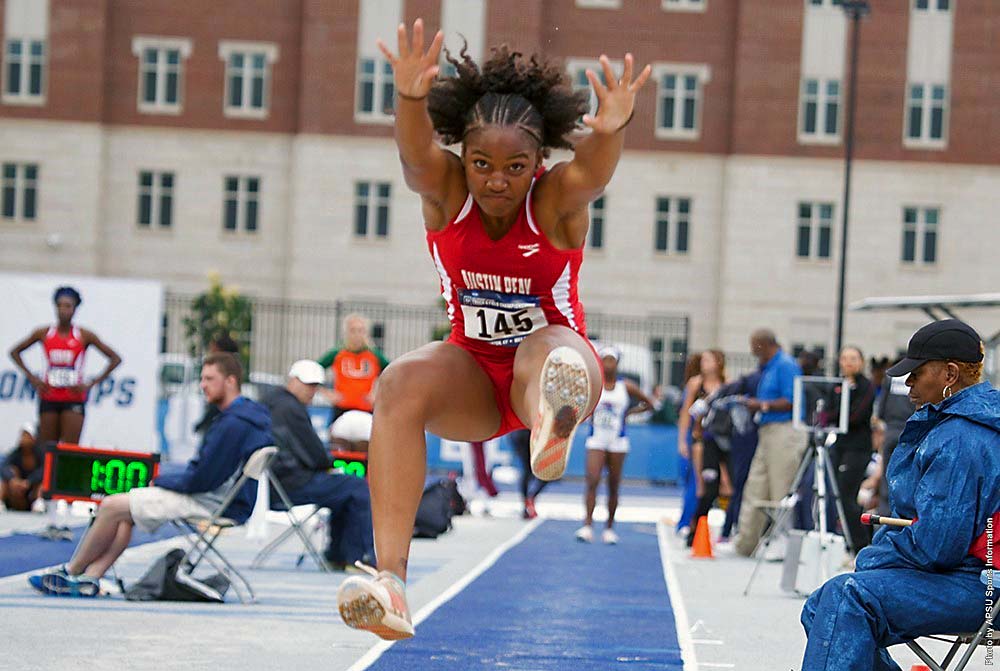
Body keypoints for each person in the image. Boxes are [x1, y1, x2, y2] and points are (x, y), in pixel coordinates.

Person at [336, 19, 650, 640]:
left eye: (515, 166)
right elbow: (415, 156)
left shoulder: (554, 201)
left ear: (539, 161)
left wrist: (610, 131)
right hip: (475, 378)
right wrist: (408, 98)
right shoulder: (446, 194)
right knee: (397, 384)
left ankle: (548, 418)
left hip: (555, 362)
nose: (497, 181)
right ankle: (391, 582)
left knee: (544, 348)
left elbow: (592, 176)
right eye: (482, 164)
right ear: (464, 157)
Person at [801, 319, 1000, 671]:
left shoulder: (960, 437)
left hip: (982, 585)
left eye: (917, 372)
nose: (906, 383)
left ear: (950, 374)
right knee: (820, 606)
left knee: (845, 597)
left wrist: (875, 556)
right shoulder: (968, 423)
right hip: (976, 576)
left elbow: (938, 545)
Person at [28, 352, 272, 597]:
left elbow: (201, 480)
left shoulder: (233, 424)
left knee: (111, 505)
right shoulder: (251, 417)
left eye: (209, 378)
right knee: (125, 512)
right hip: (223, 499)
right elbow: (206, 474)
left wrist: (161, 480)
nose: (202, 385)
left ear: (230, 381)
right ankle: (90, 577)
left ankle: (71, 571)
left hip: (212, 503)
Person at [260, 360, 375, 569]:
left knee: (344, 489)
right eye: (307, 385)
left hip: (272, 482)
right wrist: (331, 463)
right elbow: (315, 455)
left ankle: (339, 555)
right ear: (293, 381)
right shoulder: (291, 409)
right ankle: (358, 557)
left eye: (315, 386)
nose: (312, 391)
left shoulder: (271, 401)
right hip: (290, 483)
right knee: (355, 487)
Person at [9, 286, 122, 446]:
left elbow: (115, 358)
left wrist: (91, 383)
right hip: (49, 395)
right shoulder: (44, 333)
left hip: (73, 397)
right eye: (60, 305)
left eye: (68, 306)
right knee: (46, 448)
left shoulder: (83, 335)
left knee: (69, 449)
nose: (63, 310)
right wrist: (33, 379)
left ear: (75, 309)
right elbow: (15, 352)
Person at [732, 329, 806, 557]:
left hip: (784, 432)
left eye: (754, 345)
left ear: (764, 345)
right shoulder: (771, 366)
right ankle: (745, 544)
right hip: (767, 432)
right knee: (755, 488)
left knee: (780, 490)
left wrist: (761, 405)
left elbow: (791, 400)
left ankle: (781, 543)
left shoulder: (786, 365)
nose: (752, 351)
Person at [575, 346, 653, 545]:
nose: (608, 364)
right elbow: (579, 403)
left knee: (613, 484)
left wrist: (630, 413)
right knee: (592, 479)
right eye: (605, 360)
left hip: (618, 440)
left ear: (617, 363)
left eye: (612, 360)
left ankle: (609, 528)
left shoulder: (625, 386)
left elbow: (648, 403)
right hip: (597, 438)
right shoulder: (594, 384)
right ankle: (587, 525)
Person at [828, 346, 876, 553]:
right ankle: (837, 537)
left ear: (861, 362)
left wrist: (839, 413)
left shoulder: (867, 386)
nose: (848, 362)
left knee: (848, 495)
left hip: (858, 447)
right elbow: (827, 414)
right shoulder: (837, 385)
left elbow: (856, 416)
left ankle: (860, 544)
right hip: (839, 444)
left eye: (853, 358)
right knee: (833, 492)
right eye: (844, 358)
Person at [676, 351, 724, 536]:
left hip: (718, 439)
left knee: (721, 481)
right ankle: (686, 522)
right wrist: (682, 441)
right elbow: (685, 414)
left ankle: (721, 525)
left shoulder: (725, 384)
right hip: (697, 439)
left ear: (718, 362)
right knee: (696, 482)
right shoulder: (696, 384)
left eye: (708, 360)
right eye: (702, 360)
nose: (704, 363)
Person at [863, 357, 917, 516]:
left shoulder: (891, 377)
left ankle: (886, 514)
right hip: (911, 430)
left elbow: (881, 408)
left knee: (887, 476)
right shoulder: (916, 376)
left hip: (891, 430)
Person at [317, 314, 390, 429]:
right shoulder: (337, 353)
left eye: (360, 330)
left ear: (366, 333)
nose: (357, 335)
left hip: (366, 409)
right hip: (342, 409)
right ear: (346, 333)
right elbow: (314, 370)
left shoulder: (374, 355)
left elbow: (391, 373)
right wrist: (327, 393)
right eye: (353, 330)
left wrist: (376, 394)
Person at [193, 333, 241, 435]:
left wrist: (203, 423)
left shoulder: (224, 369)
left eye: (209, 379)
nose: (203, 385)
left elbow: (217, 405)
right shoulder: (234, 367)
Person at [1, 423, 43, 511]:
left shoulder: (40, 454)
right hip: (17, 491)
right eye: (22, 435)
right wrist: (13, 479)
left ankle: (39, 502)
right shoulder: (15, 454)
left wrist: (29, 481)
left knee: (43, 484)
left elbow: (44, 470)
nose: (23, 438)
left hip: (32, 490)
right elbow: (4, 467)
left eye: (26, 435)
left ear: (33, 438)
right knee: (9, 475)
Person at [508, 428, 549, 519]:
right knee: (532, 471)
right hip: (529, 434)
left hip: (520, 433)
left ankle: (527, 503)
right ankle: (528, 501)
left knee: (529, 471)